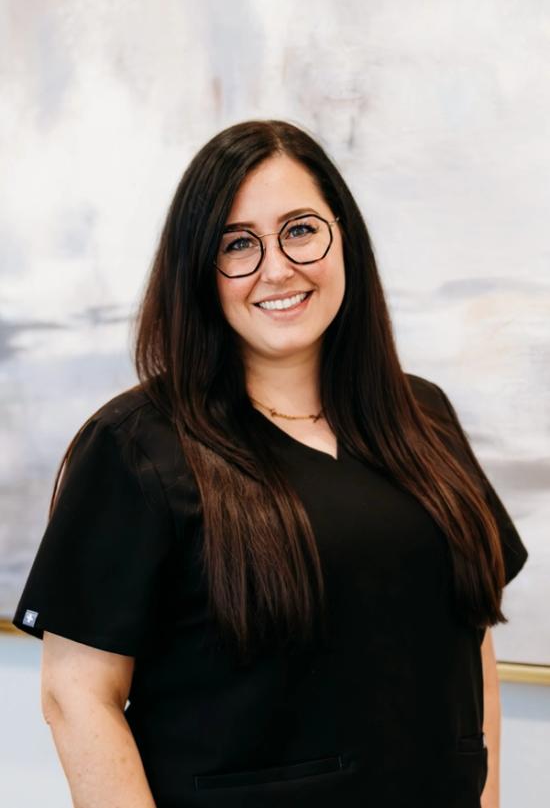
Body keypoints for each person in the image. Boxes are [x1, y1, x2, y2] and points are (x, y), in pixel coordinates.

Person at [12, 119, 528, 808]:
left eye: (300, 229)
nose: (277, 268)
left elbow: (473, 640)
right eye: (238, 244)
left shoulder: (423, 417)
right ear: (199, 269)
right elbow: (76, 695)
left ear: (343, 235)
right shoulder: (136, 447)